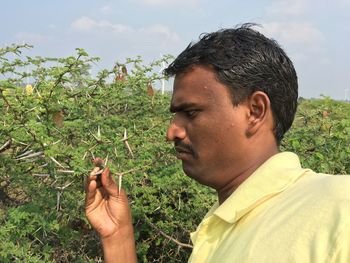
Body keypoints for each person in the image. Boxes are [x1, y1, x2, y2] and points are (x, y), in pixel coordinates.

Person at [85, 24, 350, 262]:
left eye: (190, 113)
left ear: (255, 111)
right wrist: (118, 237)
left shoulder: (339, 207)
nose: (172, 132)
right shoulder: (220, 226)